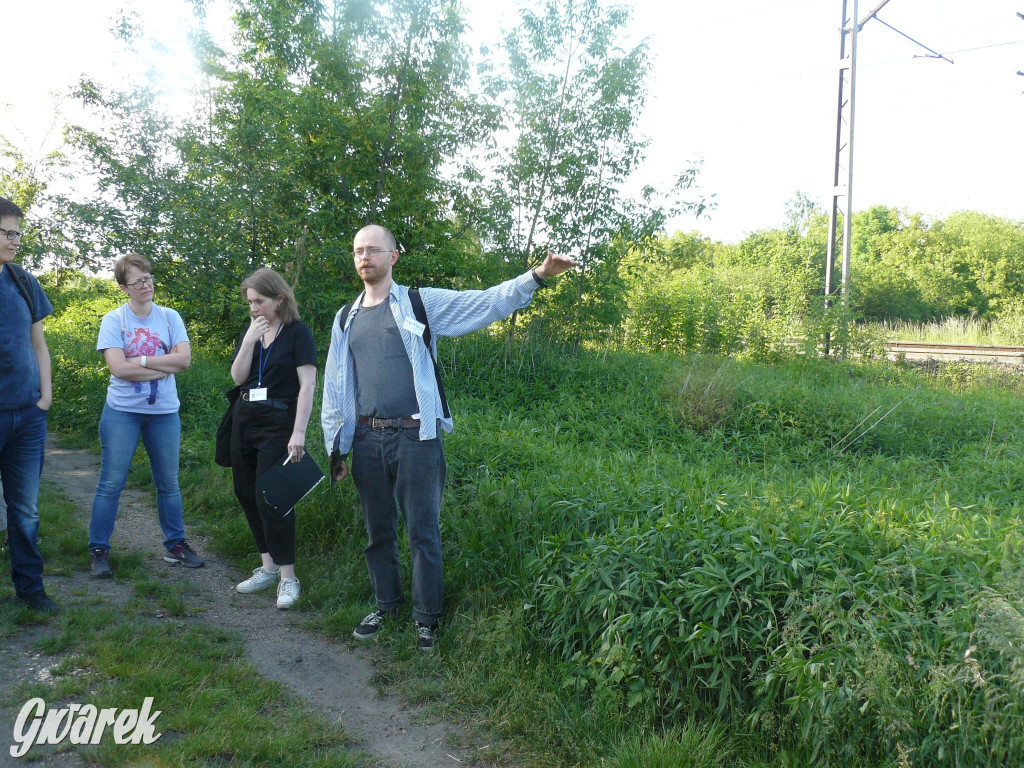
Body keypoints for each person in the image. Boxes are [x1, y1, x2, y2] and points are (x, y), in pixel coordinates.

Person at [322, 224, 576, 652]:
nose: (364, 257)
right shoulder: (346, 317)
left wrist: (536, 276)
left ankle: (427, 618)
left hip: (416, 437)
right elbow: (335, 383)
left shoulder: (419, 303)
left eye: (373, 250)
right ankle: (387, 604)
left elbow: (485, 303)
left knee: (423, 532)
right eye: (358, 251)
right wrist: (337, 444)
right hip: (366, 439)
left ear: (393, 257)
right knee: (377, 531)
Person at [88, 254, 204, 577]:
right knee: (111, 483)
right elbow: (118, 369)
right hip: (121, 413)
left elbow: (183, 362)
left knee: (169, 483)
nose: (146, 285)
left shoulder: (169, 318)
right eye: (138, 281)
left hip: (164, 414)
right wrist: (157, 364)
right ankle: (98, 550)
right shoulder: (115, 321)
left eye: (149, 278)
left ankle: (176, 545)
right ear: (124, 287)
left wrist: (138, 362)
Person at [229, 268, 317, 610]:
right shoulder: (251, 331)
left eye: (259, 301)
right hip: (245, 417)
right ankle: (267, 566)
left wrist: (299, 431)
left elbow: (307, 385)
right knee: (245, 491)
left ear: (279, 299)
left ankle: (288, 577)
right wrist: (250, 339)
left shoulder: (298, 333)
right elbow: (238, 377)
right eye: (250, 302)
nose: (254, 308)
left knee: (274, 497)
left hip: (280, 421)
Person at [0, 196, 58, 613]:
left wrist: (46, 395)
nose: (16, 240)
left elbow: (39, 343)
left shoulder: (23, 281)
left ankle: (30, 588)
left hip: (27, 415)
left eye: (18, 233)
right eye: (7, 233)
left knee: (25, 509)